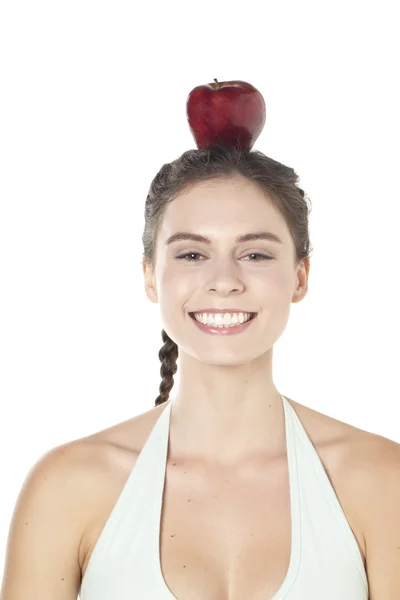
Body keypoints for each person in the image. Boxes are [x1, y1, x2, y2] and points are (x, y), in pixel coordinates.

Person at [1, 145, 399, 600]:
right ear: (151, 276)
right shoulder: (67, 487)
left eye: (256, 255)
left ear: (301, 276)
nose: (224, 280)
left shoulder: (382, 481)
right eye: (192, 255)